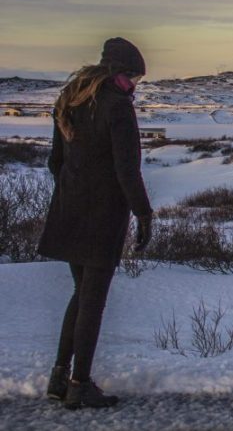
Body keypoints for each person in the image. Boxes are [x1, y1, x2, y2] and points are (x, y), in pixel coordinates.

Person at [37, 37, 154, 410]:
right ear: (119, 72)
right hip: (103, 214)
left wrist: (74, 191)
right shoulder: (117, 106)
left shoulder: (69, 100)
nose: (135, 84)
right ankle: (80, 384)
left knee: (81, 293)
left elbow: (55, 161)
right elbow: (127, 168)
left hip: (70, 208)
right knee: (93, 301)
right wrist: (144, 213)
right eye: (133, 76)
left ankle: (60, 376)